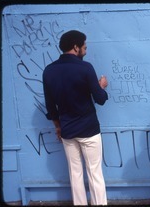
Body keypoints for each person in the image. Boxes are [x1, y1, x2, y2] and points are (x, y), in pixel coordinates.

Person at [42, 30, 108, 205]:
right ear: (75, 47)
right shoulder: (85, 68)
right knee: (95, 173)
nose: (86, 49)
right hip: (89, 130)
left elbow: (50, 106)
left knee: (75, 174)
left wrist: (58, 126)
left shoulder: (49, 71)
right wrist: (101, 86)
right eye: (84, 46)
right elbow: (100, 99)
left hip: (67, 131)